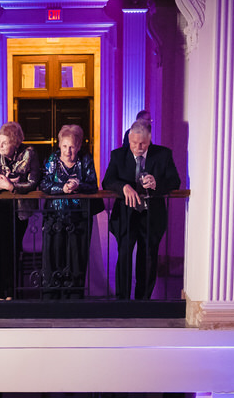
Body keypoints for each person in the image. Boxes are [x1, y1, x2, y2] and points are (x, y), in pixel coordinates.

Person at [104, 117, 182, 300]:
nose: (138, 147)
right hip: (125, 215)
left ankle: (143, 301)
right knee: (124, 256)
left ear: (150, 140)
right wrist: (123, 187)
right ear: (129, 138)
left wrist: (157, 183)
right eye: (134, 143)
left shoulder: (163, 154)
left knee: (148, 258)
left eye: (143, 143)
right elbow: (107, 180)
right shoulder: (117, 155)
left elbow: (174, 181)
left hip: (151, 215)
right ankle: (122, 300)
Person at [0, 122, 41, 298]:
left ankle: (11, 291)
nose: (0, 145)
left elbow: (33, 182)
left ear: (16, 143)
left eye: (5, 142)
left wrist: (12, 186)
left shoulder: (29, 153)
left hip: (18, 212)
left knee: (12, 251)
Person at [38, 123, 98, 299]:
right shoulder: (52, 160)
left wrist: (79, 185)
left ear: (78, 146)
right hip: (54, 218)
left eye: (72, 146)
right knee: (53, 257)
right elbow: (44, 184)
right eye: (64, 146)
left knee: (76, 258)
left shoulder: (85, 160)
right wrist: (61, 189)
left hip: (79, 218)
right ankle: (52, 297)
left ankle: (74, 298)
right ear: (59, 145)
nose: (68, 151)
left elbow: (93, 185)